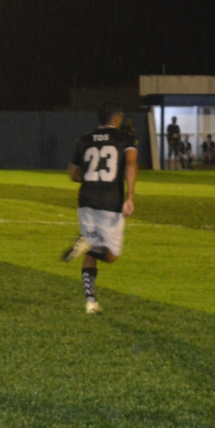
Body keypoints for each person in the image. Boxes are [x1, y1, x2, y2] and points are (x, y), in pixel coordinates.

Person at [61, 101, 138, 314]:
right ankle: (87, 246)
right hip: (110, 201)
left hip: (86, 199)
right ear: (117, 118)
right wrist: (130, 197)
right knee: (111, 255)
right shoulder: (125, 138)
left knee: (91, 247)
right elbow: (131, 163)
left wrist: (91, 178)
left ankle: (90, 301)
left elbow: (73, 174)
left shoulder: (84, 140)